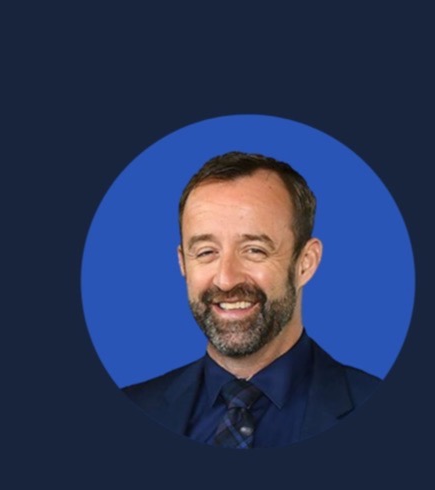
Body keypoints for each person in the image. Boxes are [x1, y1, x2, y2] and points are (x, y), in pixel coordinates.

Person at [123, 151, 380, 448]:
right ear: (183, 263)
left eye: (254, 250)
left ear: (305, 263)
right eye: (206, 252)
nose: (226, 279)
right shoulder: (135, 406)